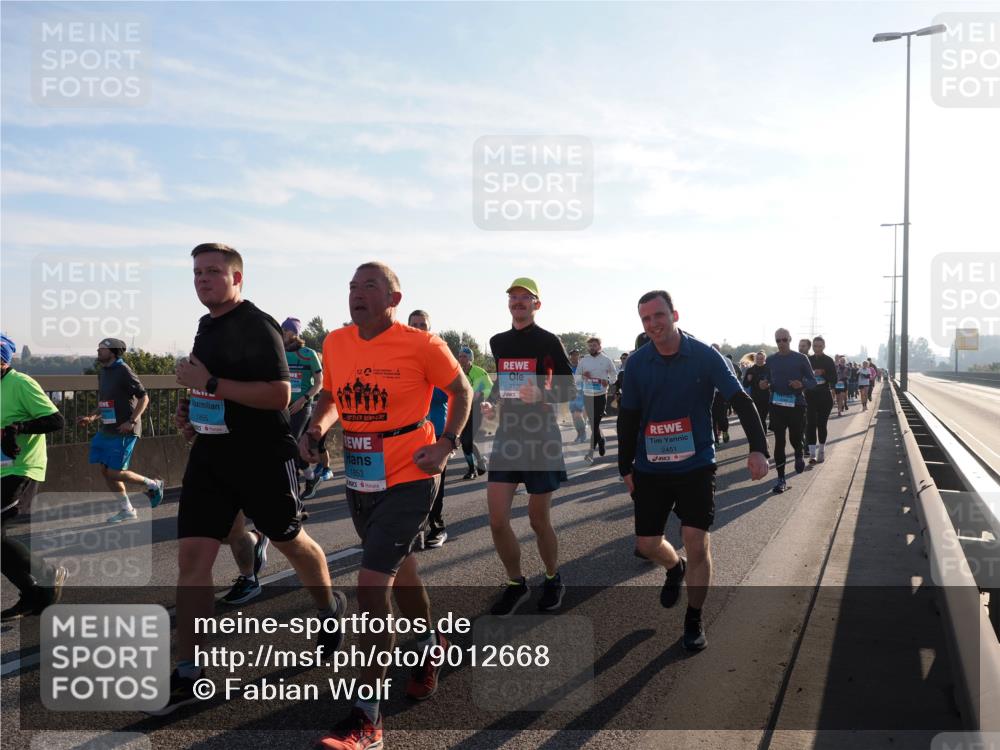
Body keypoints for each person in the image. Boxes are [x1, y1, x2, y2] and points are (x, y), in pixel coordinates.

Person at [154, 243, 347, 715]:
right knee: (192, 560)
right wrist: (191, 409)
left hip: (261, 456)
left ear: (237, 278)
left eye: (214, 272)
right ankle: (189, 669)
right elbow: (207, 384)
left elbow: (280, 394)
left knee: (290, 540)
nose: (203, 279)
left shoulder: (258, 325)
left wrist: (212, 385)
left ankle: (329, 608)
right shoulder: (206, 325)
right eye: (197, 272)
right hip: (211, 456)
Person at [305, 262, 472, 749]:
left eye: (369, 286)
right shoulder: (336, 342)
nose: (357, 293)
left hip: (412, 473)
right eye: (352, 286)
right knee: (406, 572)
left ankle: (367, 718)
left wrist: (446, 444)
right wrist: (318, 427)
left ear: (394, 299)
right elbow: (332, 395)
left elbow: (460, 391)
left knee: (371, 589)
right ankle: (429, 643)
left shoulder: (423, 344)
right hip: (361, 475)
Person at [617, 292, 769, 651]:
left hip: (696, 465)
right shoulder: (638, 363)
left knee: (697, 543)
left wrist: (758, 448)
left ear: (675, 315)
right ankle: (674, 568)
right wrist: (625, 468)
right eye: (646, 319)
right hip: (650, 467)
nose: (653, 324)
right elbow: (628, 418)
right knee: (647, 544)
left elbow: (740, 400)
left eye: (659, 316)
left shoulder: (704, 356)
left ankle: (694, 617)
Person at [482, 277, 575, 617]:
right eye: (513, 297)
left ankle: (552, 577)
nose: (518, 302)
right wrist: (492, 404)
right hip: (508, 437)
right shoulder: (498, 341)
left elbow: (569, 391)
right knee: (496, 519)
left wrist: (542, 395)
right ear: (508, 303)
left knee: (538, 519)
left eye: (525, 298)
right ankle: (516, 583)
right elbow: (503, 383)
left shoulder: (549, 342)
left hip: (541, 438)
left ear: (537, 304)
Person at [1, 333, 69, 621]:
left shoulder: (21, 383)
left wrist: (19, 428)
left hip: (22, 467)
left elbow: (56, 420)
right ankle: (32, 594)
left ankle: (45, 574)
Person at [76, 338, 164, 523]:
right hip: (108, 428)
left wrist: (131, 421)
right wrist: (91, 417)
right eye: (98, 347)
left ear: (113, 352)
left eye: (102, 349)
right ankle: (127, 509)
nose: (98, 351)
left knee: (114, 473)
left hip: (125, 429)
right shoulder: (103, 372)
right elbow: (105, 402)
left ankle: (154, 484)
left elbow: (144, 398)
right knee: (105, 470)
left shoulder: (123, 370)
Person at [407, 310, 451, 548]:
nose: (419, 328)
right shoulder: (401, 356)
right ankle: (415, 529)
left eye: (423, 324)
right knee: (410, 487)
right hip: (408, 436)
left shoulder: (439, 354)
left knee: (434, 486)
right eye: (414, 324)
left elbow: (452, 392)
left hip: (437, 433)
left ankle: (438, 527)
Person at [767, 328, 816, 494]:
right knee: (779, 441)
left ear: (790, 339)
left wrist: (801, 384)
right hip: (777, 405)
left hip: (796, 405)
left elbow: (813, 382)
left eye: (784, 340)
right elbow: (767, 379)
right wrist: (763, 384)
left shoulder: (801, 358)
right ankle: (781, 479)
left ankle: (799, 453)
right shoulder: (771, 360)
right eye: (778, 340)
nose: (781, 343)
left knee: (795, 438)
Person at [280, 317, 323, 484]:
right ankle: (310, 477)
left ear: (295, 333)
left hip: (302, 406)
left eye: (287, 329)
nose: (283, 332)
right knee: (290, 443)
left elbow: (320, 382)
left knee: (292, 442)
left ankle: (294, 481)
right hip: (282, 405)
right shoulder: (279, 352)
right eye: (282, 329)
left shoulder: (308, 354)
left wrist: (304, 399)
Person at [578, 337, 619, 463]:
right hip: (588, 394)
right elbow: (576, 378)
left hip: (601, 394)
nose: (592, 348)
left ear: (599, 346)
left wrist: (608, 381)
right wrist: (583, 376)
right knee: (593, 423)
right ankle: (600, 440)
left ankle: (590, 452)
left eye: (594, 345)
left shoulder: (606, 360)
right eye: (590, 346)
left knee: (595, 423)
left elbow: (614, 375)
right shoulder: (584, 360)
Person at [457, 346, 492, 477]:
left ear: (470, 358)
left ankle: (473, 469)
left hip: (476, 410)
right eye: (459, 356)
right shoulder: (457, 371)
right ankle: (475, 467)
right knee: (465, 442)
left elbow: (491, 389)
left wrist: (481, 393)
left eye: (464, 357)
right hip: (461, 410)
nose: (461, 359)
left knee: (467, 441)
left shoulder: (480, 372)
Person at [806, 336, 837, 464]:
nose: (817, 348)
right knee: (811, 424)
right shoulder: (807, 359)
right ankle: (812, 454)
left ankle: (822, 451)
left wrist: (822, 373)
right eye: (815, 346)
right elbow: (801, 375)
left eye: (819, 346)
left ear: (824, 346)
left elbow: (834, 379)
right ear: (812, 347)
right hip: (810, 396)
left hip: (824, 396)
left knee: (821, 424)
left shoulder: (828, 360)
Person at [742, 351, 772, 433]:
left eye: (761, 358)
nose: (759, 360)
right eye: (758, 359)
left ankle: (763, 433)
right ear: (755, 359)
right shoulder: (751, 370)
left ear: (764, 359)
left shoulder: (768, 369)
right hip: (755, 397)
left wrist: (768, 384)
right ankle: (763, 434)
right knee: (759, 417)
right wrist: (748, 379)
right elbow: (745, 384)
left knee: (763, 416)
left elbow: (774, 381)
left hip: (767, 397)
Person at [567, 350, 588, 444]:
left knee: (578, 414)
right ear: (570, 356)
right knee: (574, 416)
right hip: (571, 394)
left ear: (579, 356)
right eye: (572, 355)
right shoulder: (567, 367)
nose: (574, 357)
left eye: (576, 355)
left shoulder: (583, 367)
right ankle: (579, 434)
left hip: (581, 393)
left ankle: (583, 434)